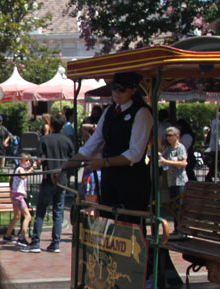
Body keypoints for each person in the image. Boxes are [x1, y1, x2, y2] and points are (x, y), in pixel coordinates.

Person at [64, 71, 153, 212]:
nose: (117, 92)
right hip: (109, 180)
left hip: (131, 181)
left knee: (128, 226)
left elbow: (135, 154)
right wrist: (65, 167)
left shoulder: (142, 113)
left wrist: (104, 162)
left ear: (134, 90)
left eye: (122, 89)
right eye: (114, 88)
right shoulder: (109, 112)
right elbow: (91, 146)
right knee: (109, 222)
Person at [22, 112, 74, 253]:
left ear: (50, 124)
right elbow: (72, 159)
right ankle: (55, 243)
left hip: (47, 178)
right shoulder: (67, 141)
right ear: (63, 126)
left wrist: (35, 165)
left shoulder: (45, 140)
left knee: (41, 211)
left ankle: (36, 243)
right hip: (61, 180)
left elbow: (39, 159)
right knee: (58, 211)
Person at [4, 154, 35, 245]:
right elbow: (23, 176)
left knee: (17, 216)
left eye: (29, 161)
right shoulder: (20, 169)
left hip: (16, 195)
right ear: (20, 161)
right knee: (28, 216)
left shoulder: (20, 170)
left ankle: (7, 235)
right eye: (26, 160)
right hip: (18, 196)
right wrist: (32, 169)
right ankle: (22, 238)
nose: (28, 162)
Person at [159, 125, 188, 221]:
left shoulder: (180, 148)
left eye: (170, 135)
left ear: (177, 136)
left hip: (180, 182)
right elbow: (162, 156)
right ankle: (177, 228)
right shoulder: (169, 149)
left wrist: (166, 162)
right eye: (167, 135)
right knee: (174, 207)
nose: (168, 137)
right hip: (171, 182)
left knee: (179, 205)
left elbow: (183, 163)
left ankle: (181, 227)